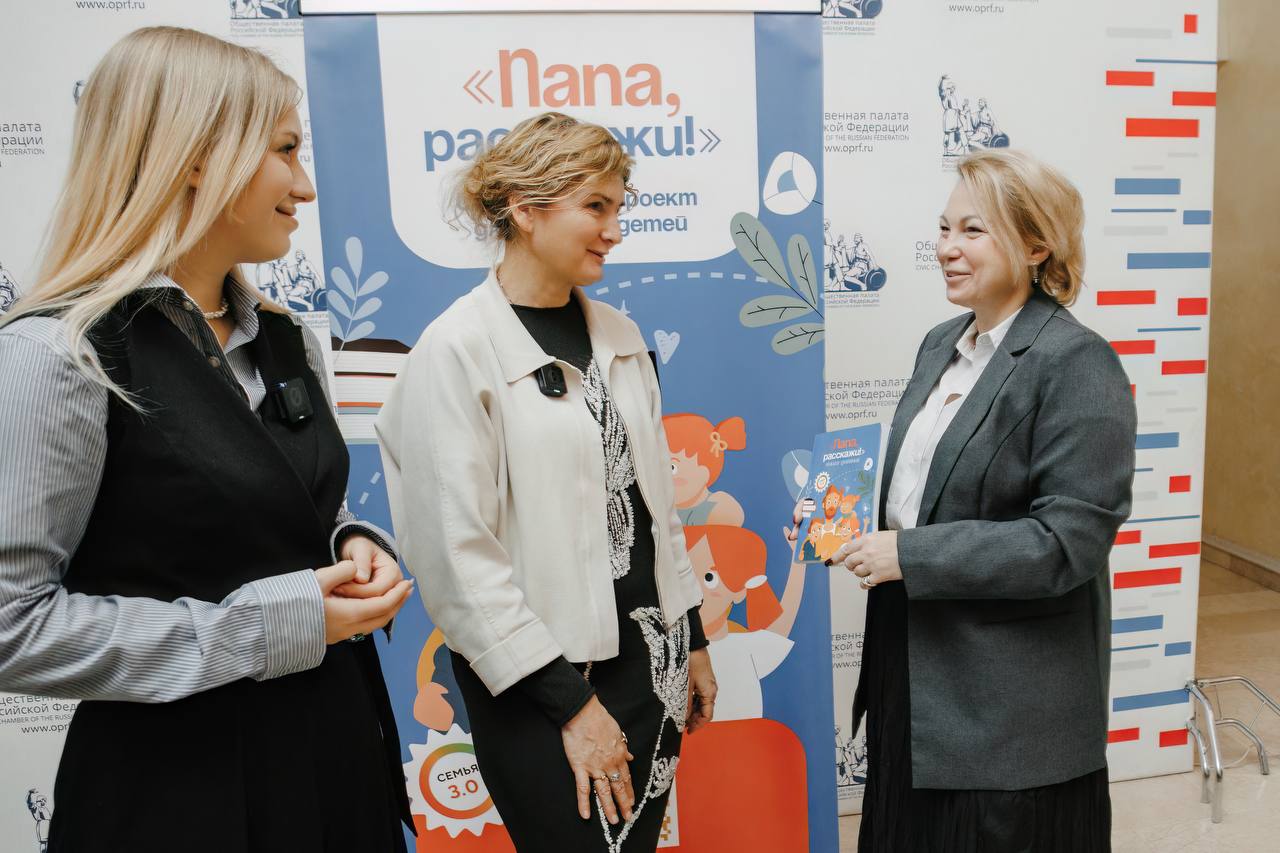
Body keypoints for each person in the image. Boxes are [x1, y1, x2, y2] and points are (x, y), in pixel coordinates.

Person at [0, 28, 414, 852]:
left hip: (337, 766)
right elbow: (13, 626)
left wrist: (349, 541)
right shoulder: (63, 353)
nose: (305, 185)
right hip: (174, 798)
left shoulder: (289, 338)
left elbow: (284, 512)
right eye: (286, 150)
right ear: (197, 157)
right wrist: (259, 629)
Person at [376, 111, 717, 853]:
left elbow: (655, 510)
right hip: (542, 685)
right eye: (595, 206)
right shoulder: (455, 350)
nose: (615, 230)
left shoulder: (621, 337)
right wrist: (571, 705)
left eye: (619, 207)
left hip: (649, 668)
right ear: (524, 210)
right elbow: (456, 561)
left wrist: (690, 637)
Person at [829, 149, 1136, 852]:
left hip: (1007, 714)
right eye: (944, 228)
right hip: (912, 670)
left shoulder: (1077, 362)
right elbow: (926, 492)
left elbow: (1066, 543)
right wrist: (839, 515)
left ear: (1036, 245)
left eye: (973, 230)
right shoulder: (940, 343)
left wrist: (908, 555)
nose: (946, 248)